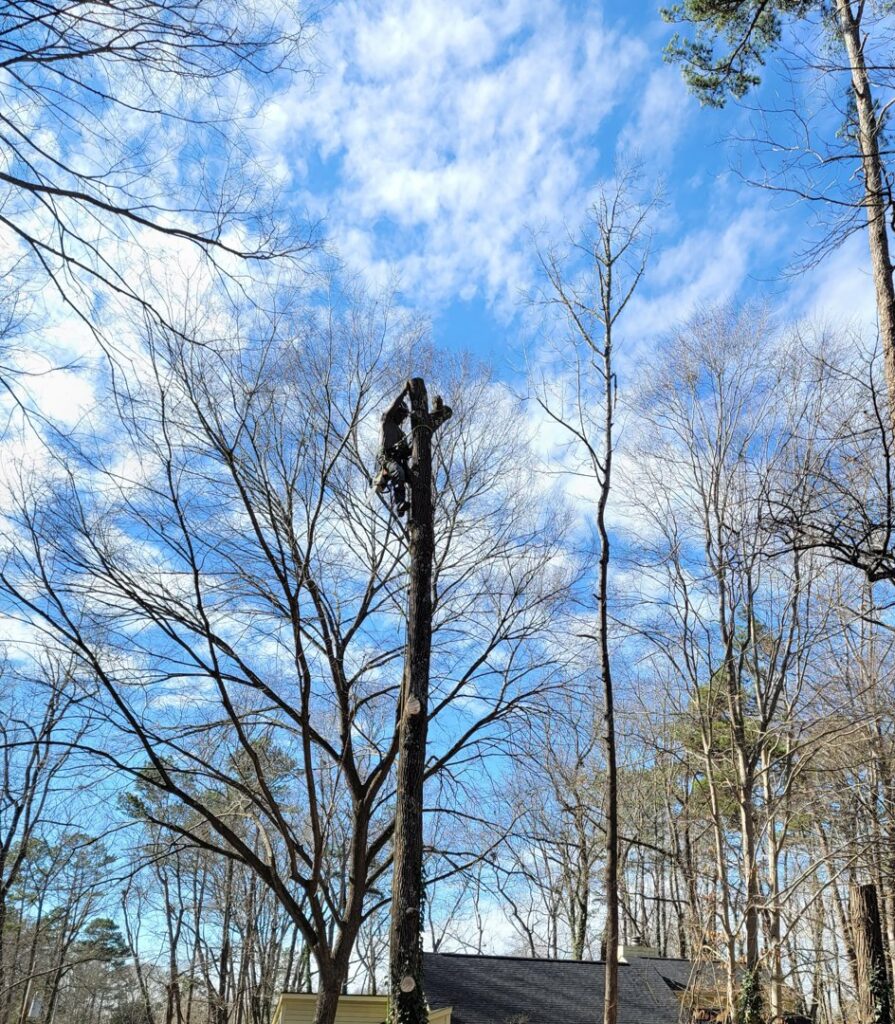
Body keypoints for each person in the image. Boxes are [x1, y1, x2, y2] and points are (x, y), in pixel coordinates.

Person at [374, 388, 412, 516]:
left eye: (404, 416)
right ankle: (399, 503)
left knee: (413, 478)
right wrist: (403, 391)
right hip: (386, 459)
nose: (403, 418)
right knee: (397, 471)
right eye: (401, 414)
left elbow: (407, 452)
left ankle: (405, 510)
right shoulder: (386, 421)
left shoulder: (402, 434)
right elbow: (393, 405)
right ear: (396, 412)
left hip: (398, 460)